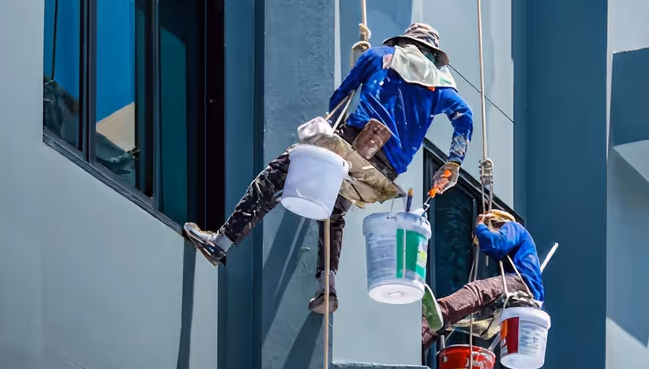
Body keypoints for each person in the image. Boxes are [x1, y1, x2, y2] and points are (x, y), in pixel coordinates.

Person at [183, 23, 473, 314]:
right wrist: (453, 162)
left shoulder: (380, 56)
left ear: (405, 42)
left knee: (278, 175)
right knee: (333, 212)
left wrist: (361, 69)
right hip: (382, 174)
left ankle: (220, 242)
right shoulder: (438, 87)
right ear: (431, 55)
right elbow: (464, 117)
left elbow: (340, 98)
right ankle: (327, 288)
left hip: (353, 146)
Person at [421, 210, 546, 348]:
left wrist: (480, 226)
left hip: (522, 283)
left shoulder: (513, 227)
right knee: (460, 315)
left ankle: (441, 312)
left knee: (477, 291)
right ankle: (423, 335)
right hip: (529, 294)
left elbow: (496, 243)